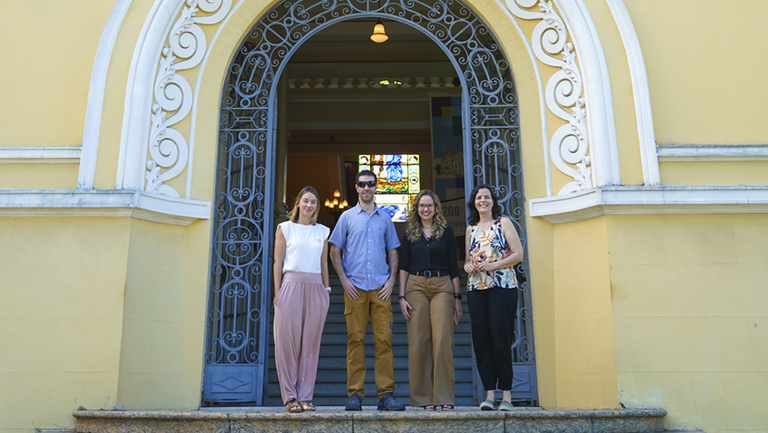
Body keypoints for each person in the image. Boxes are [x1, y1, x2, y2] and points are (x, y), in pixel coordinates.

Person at [329, 170, 406, 411]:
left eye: (371, 184)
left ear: (376, 187)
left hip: (381, 289)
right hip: (355, 289)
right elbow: (334, 250)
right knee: (356, 341)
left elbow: (393, 250)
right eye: (362, 184)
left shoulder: (385, 218)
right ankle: (355, 394)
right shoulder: (347, 217)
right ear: (356, 187)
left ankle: (386, 395)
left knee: (385, 341)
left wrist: (392, 280)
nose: (366, 188)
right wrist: (344, 280)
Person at [398, 189, 463, 410]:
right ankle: (424, 399)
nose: (425, 209)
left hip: (442, 285)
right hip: (415, 286)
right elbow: (403, 266)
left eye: (429, 205)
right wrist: (401, 296)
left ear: (436, 208)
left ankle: (444, 398)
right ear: (416, 209)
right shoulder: (410, 233)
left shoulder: (446, 232)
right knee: (419, 341)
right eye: (421, 206)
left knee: (443, 340)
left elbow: (454, 267)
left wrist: (457, 298)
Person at [463, 184, 524, 411]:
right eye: (479, 198)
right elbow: (469, 260)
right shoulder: (471, 228)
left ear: (493, 201)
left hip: (503, 286)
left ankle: (506, 395)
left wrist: (494, 265)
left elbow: (518, 254)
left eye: (486, 197)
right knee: (482, 342)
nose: (483, 201)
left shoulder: (504, 223)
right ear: (474, 202)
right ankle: (489, 394)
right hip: (477, 288)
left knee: (500, 339)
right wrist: (468, 266)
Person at [273, 186, 331, 413]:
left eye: (314, 202)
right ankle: (290, 398)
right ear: (297, 203)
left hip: (316, 287)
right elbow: (278, 261)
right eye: (305, 201)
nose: (309, 205)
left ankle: (305, 397)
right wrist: (278, 293)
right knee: (288, 344)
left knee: (310, 346)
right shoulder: (285, 229)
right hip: (290, 286)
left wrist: (326, 291)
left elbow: (325, 264)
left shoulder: (323, 231)